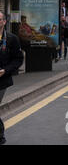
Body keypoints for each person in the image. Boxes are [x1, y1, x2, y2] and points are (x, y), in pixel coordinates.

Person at [0, 11, 24, 145]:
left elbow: (18, 59)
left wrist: (5, 70)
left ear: (4, 22)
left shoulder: (11, 39)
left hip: (2, 79)